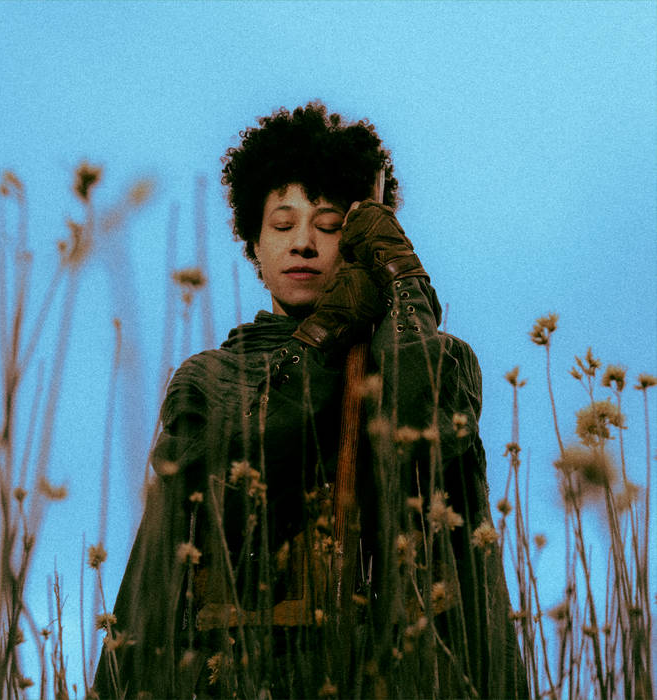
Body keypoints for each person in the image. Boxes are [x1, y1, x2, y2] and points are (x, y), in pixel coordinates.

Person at [93, 102, 528, 699]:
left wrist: (401, 279)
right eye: (282, 225)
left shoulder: (439, 360)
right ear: (254, 245)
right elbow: (244, 463)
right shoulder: (211, 381)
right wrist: (327, 334)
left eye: (328, 226)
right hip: (242, 679)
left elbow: (415, 425)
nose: (303, 243)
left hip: (393, 677)